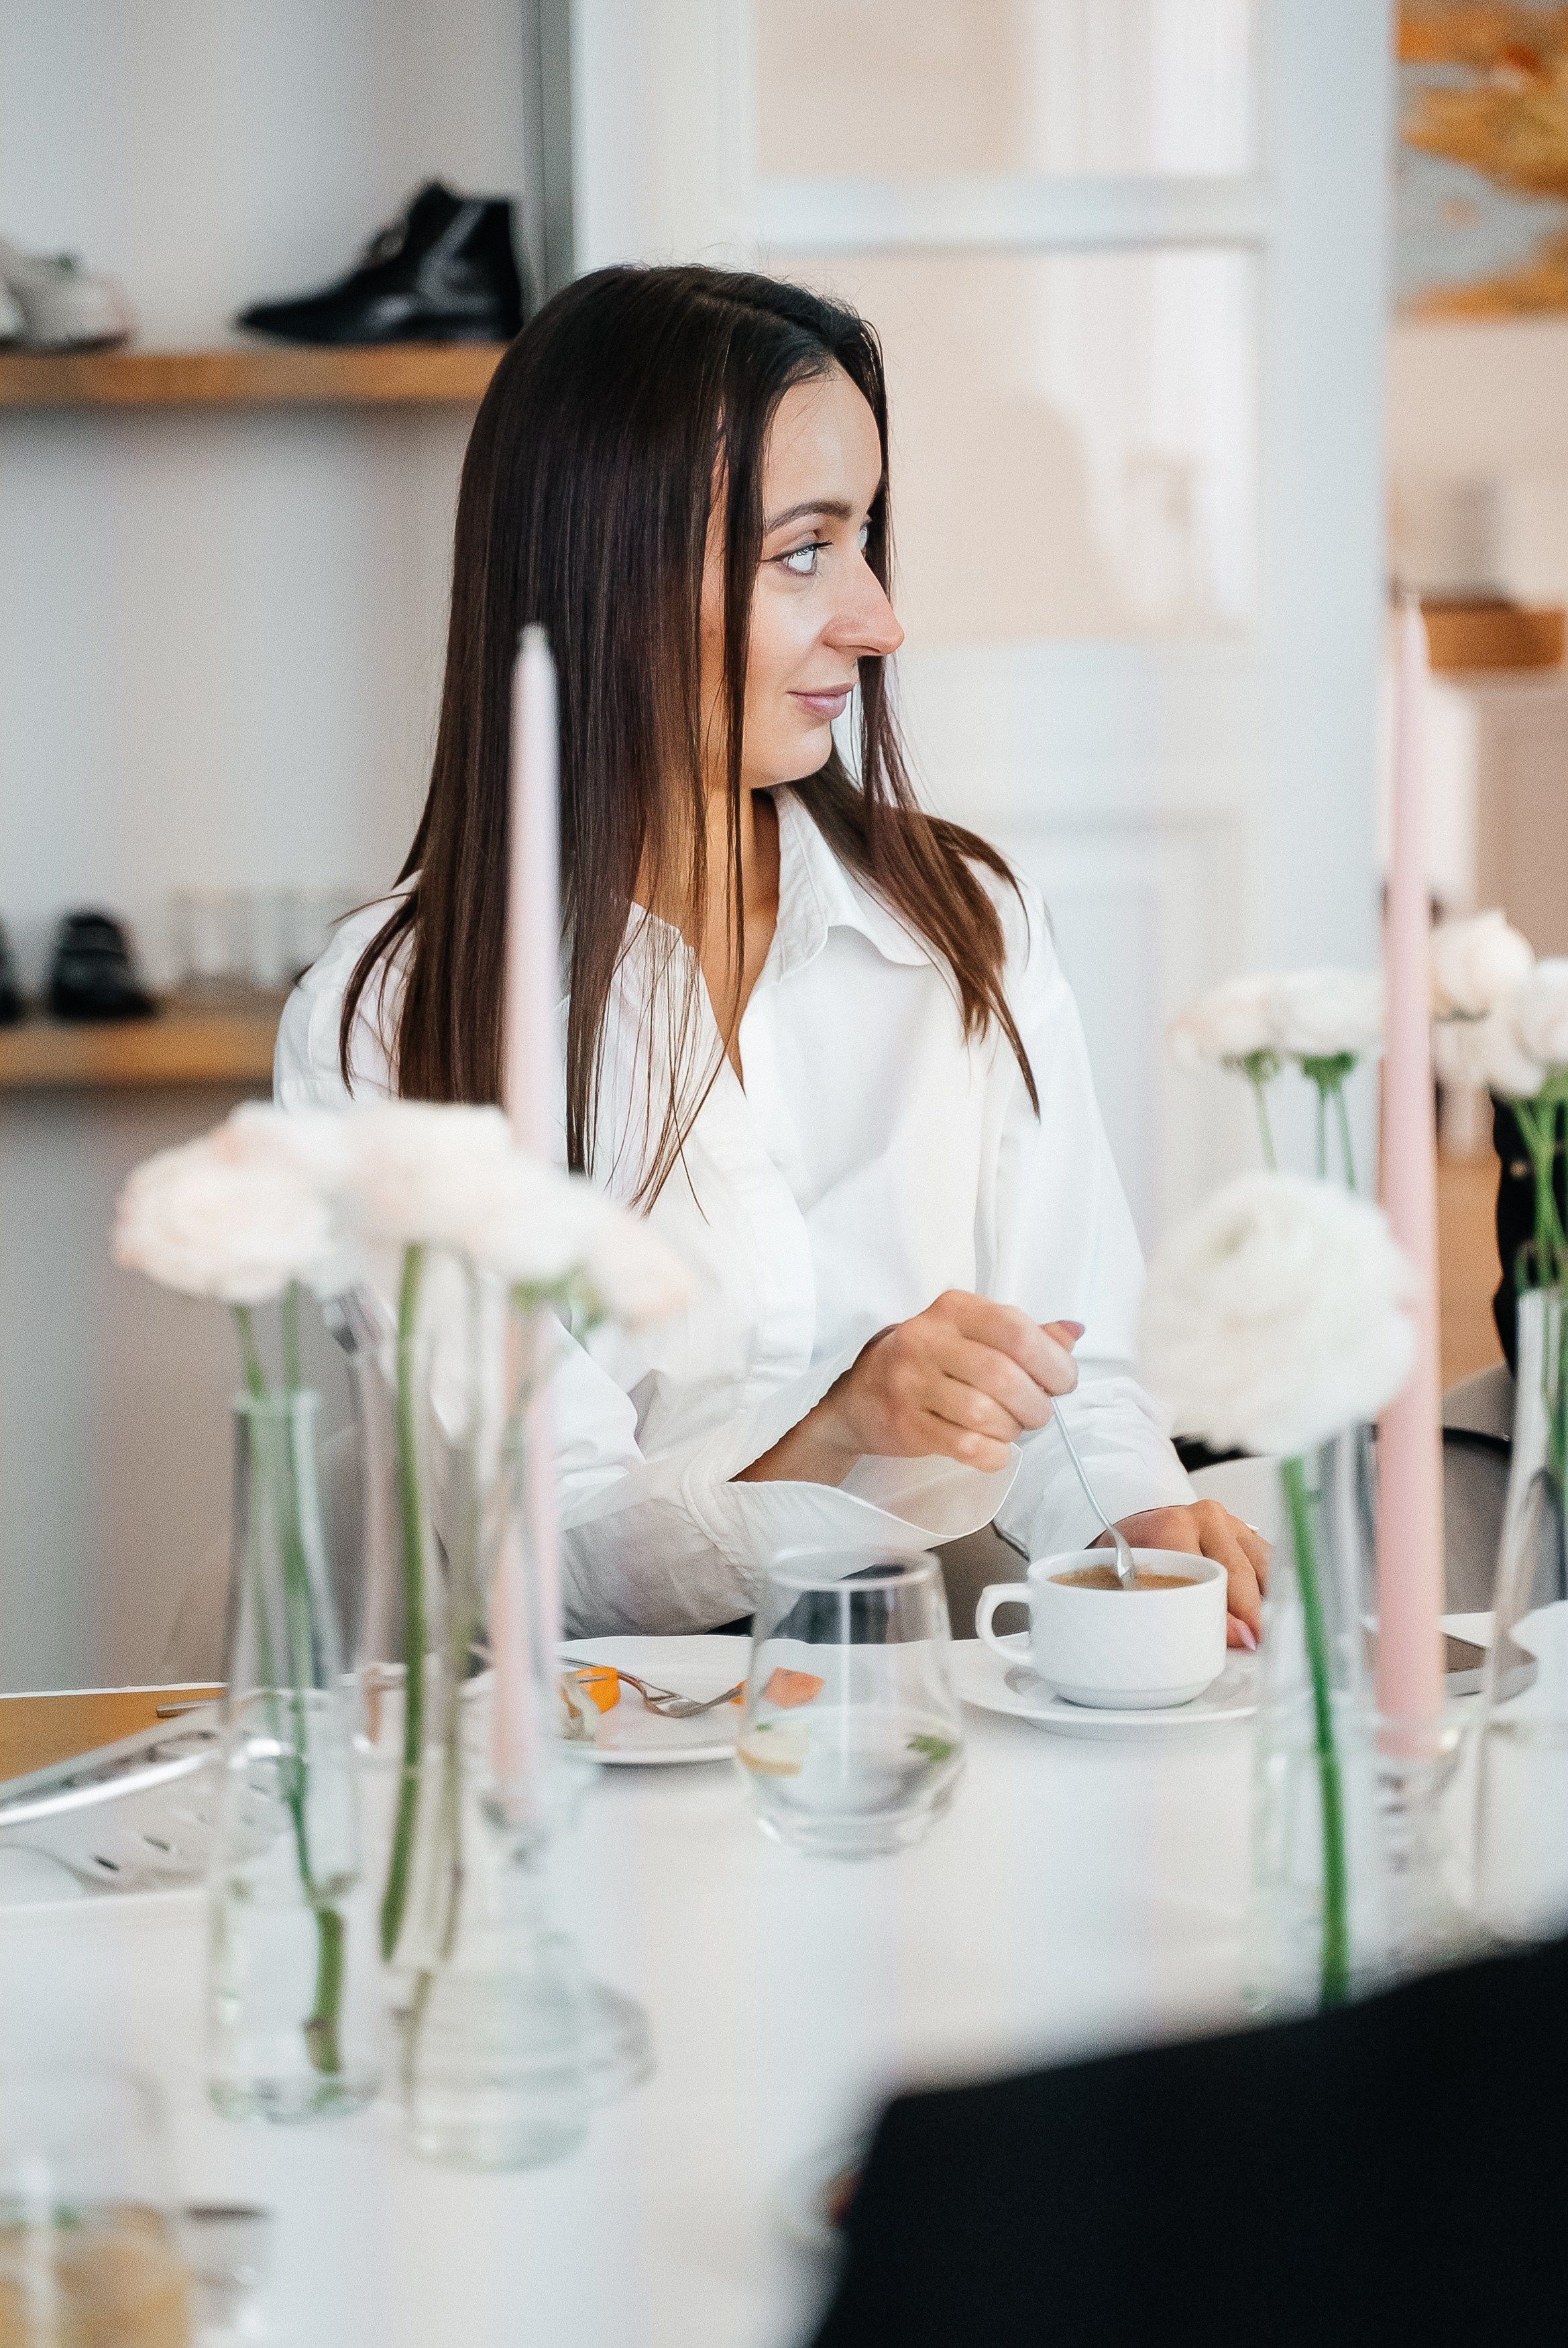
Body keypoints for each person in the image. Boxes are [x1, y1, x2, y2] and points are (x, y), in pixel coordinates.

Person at [274, 263, 1268, 1642]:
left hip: (921, 1707)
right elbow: (547, 1556)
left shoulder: (962, 925)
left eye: (862, 539)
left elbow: (1067, 1381)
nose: (876, 618)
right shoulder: (387, 1024)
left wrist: (1137, 1520)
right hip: (584, 1762)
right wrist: (841, 1433)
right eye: (802, 550)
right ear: (607, 570)